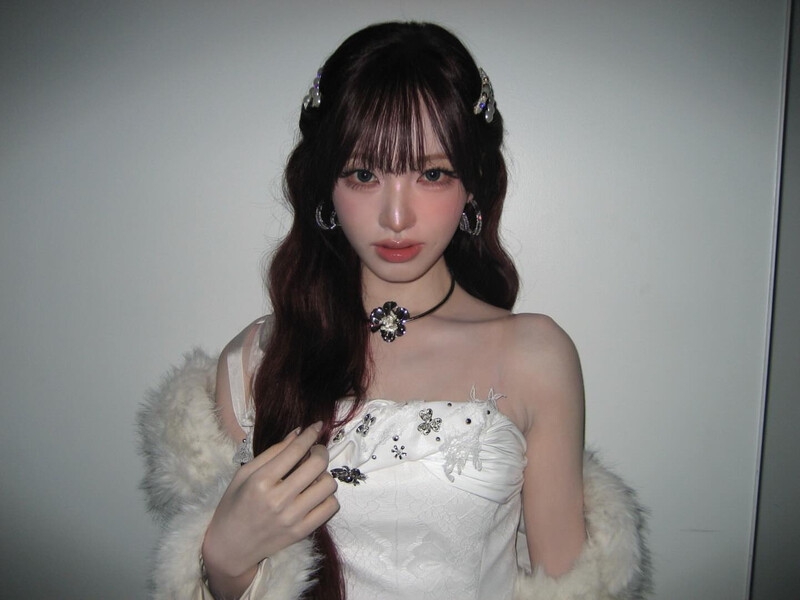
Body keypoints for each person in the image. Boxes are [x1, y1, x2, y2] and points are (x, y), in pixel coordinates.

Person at [139, 21, 651, 600]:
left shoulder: (534, 354)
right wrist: (224, 559)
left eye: (432, 174)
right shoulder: (258, 360)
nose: (397, 217)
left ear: (473, 185)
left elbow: (575, 589)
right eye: (364, 174)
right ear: (325, 186)